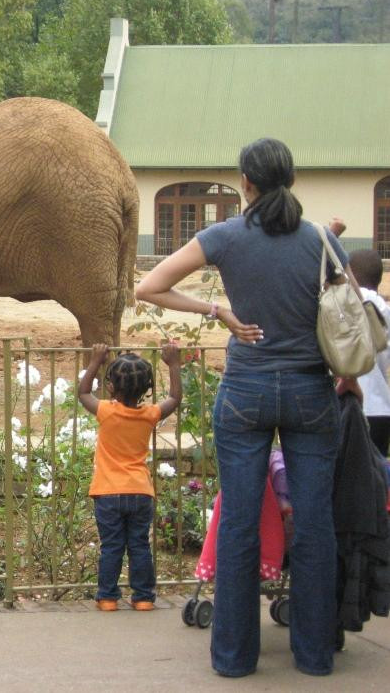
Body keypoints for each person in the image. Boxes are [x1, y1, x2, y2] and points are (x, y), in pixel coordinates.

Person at [136, 138, 357, 678]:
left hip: (246, 391)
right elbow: (349, 308)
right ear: (292, 181)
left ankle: (234, 659)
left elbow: (150, 287)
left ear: (246, 184)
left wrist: (218, 311)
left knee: (238, 521)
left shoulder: (224, 236)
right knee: (314, 522)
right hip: (309, 391)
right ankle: (314, 656)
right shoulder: (321, 239)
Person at [78, 343, 182, 612]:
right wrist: (173, 365)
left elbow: (83, 392)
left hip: (108, 492)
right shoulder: (150, 414)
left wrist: (95, 360)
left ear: (111, 387)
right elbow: (174, 398)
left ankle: (108, 598)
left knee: (112, 546)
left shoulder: (106, 411)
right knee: (139, 546)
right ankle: (144, 597)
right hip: (140, 491)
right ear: (147, 388)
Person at [348, 249, 390, 457]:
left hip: (350, 403)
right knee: (377, 470)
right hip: (380, 407)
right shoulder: (385, 309)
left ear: (350, 274)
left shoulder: (346, 301)